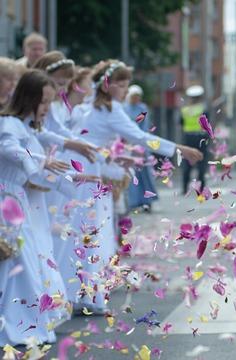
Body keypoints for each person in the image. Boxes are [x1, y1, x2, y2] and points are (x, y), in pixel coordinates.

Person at [55, 60, 203, 314]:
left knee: (78, 231)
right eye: (120, 84)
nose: (124, 89)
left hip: (82, 165)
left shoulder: (91, 105)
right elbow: (142, 138)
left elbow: (89, 138)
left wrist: (111, 157)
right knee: (90, 230)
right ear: (107, 85)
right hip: (88, 169)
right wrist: (180, 149)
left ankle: (74, 291)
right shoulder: (110, 108)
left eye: (125, 85)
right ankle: (85, 294)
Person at [0, 70, 88, 345]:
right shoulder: (10, 124)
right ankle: (18, 328)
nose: (47, 108)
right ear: (30, 98)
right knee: (19, 265)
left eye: (50, 102)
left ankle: (25, 326)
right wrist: (39, 159)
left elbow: (38, 174)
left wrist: (73, 179)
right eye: (44, 101)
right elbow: (9, 150)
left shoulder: (27, 127)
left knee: (23, 266)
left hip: (17, 201)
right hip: (7, 203)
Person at [124, 84, 158, 212]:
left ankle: (147, 201)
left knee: (144, 174)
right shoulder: (124, 108)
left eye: (138, 96)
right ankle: (134, 202)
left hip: (141, 145)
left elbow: (144, 128)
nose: (136, 99)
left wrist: (141, 144)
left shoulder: (142, 108)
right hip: (128, 145)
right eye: (134, 96)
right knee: (132, 174)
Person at [180, 84, 209, 194]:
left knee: (187, 164)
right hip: (201, 138)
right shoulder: (203, 109)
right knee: (201, 163)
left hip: (188, 139)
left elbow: (181, 123)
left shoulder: (184, 110)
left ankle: (184, 188)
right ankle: (201, 189)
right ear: (200, 97)